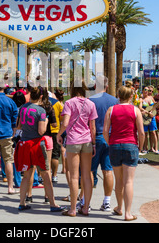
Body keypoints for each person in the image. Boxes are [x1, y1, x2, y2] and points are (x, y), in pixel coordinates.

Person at [15, 87, 65, 213]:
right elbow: (41, 131)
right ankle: (53, 204)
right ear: (41, 97)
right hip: (37, 144)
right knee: (46, 174)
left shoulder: (23, 108)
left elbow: (19, 126)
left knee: (26, 175)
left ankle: (22, 202)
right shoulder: (41, 110)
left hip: (25, 143)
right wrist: (46, 120)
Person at [103, 84, 145, 221]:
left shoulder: (111, 110)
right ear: (131, 96)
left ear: (118, 96)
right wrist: (140, 147)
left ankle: (119, 207)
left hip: (115, 145)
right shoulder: (135, 110)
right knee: (129, 181)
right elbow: (142, 132)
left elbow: (105, 131)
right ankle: (128, 213)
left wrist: (110, 142)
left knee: (119, 180)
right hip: (131, 145)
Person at [56, 80, 98, 217]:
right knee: (87, 175)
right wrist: (93, 144)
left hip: (73, 141)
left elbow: (66, 122)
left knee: (74, 176)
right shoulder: (91, 103)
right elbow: (93, 127)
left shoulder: (69, 103)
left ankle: (72, 209)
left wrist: (59, 133)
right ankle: (85, 207)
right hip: (87, 141)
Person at [89, 76, 118, 212]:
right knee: (107, 170)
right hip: (109, 138)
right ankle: (107, 202)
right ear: (107, 86)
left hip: (94, 138)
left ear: (95, 86)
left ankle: (85, 201)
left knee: (89, 170)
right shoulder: (114, 101)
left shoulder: (90, 101)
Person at [49, 89, 64, 182]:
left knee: (43, 155)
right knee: (55, 155)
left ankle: (40, 175)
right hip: (55, 131)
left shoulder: (42, 103)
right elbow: (62, 118)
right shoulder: (58, 104)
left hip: (43, 132)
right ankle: (54, 175)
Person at [139, 86, 159, 154]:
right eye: (145, 89)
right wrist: (147, 112)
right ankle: (144, 148)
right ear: (142, 90)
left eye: (148, 90)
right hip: (145, 118)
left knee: (153, 132)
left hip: (152, 117)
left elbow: (155, 106)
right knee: (145, 133)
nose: (146, 91)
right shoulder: (141, 99)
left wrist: (154, 112)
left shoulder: (151, 98)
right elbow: (140, 107)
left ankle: (155, 148)